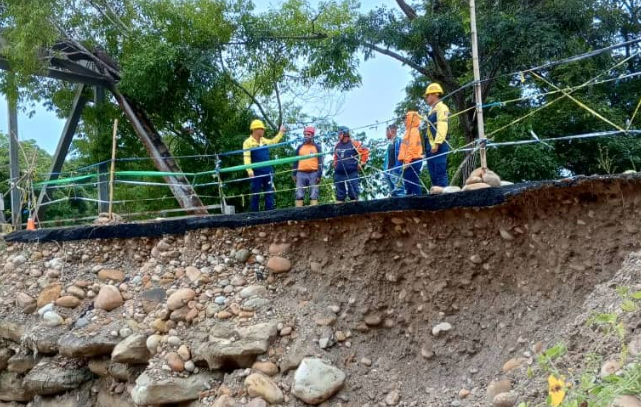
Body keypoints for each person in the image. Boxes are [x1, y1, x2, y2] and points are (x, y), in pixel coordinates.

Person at [243, 119, 286, 211]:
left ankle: (269, 212)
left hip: (267, 171)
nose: (263, 130)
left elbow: (273, 142)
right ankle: (254, 214)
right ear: (255, 129)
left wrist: (281, 132)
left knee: (269, 192)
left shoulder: (264, 140)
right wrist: (249, 170)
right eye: (262, 129)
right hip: (256, 172)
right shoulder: (248, 142)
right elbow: (246, 157)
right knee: (255, 193)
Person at [333, 126, 369, 203]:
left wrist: (362, 162)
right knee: (339, 195)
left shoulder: (354, 143)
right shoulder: (337, 145)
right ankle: (339, 213)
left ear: (344, 133)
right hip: (339, 173)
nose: (338, 135)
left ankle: (355, 212)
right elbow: (335, 156)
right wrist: (335, 165)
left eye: (339, 133)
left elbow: (365, 151)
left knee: (353, 194)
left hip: (351, 172)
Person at [424, 83, 451, 187]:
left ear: (435, 94)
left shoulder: (442, 108)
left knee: (440, 172)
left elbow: (442, 125)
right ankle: (436, 196)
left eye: (428, 95)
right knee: (433, 174)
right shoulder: (432, 111)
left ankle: (444, 197)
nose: (426, 98)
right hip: (430, 146)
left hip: (438, 145)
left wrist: (437, 143)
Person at [293, 126, 323, 207]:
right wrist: (294, 174)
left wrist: (319, 175)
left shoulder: (317, 147)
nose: (306, 136)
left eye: (308, 134)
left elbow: (321, 162)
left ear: (312, 135)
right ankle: (298, 214)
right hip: (300, 173)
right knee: (299, 194)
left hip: (314, 173)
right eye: (305, 134)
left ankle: (313, 214)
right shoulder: (300, 147)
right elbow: (295, 161)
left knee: (314, 193)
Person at [398, 111, 424, 196]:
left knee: (412, 183)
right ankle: (411, 203)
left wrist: (407, 161)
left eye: (405, 119)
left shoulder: (413, 131)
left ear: (410, 119)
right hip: (410, 160)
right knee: (409, 185)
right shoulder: (409, 131)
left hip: (412, 160)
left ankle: (418, 202)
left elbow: (411, 147)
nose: (404, 122)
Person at [383, 124, 404, 197]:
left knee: (399, 189)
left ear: (391, 131)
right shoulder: (389, 145)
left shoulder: (399, 141)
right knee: (392, 192)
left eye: (386, 132)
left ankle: (403, 206)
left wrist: (397, 168)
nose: (386, 134)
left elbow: (401, 155)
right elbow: (387, 159)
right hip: (388, 171)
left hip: (395, 170)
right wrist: (385, 170)